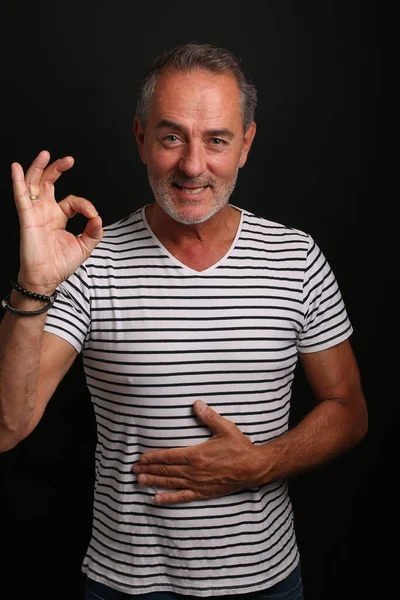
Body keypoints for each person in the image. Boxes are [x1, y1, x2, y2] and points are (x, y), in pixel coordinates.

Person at [0, 42, 368, 600]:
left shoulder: (296, 258)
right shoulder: (88, 261)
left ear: (245, 144)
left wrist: (262, 463)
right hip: (125, 588)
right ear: (141, 138)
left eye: (216, 140)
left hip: (266, 585)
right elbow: (6, 427)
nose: (193, 166)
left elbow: (350, 409)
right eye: (172, 137)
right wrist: (34, 284)